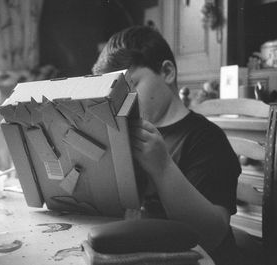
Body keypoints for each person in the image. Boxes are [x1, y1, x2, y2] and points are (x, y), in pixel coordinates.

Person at [92, 26, 241, 265]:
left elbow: (213, 234)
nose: (123, 103)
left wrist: (162, 167)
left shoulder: (207, 139)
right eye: (116, 95)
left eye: (132, 86)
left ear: (167, 72)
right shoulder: (125, 136)